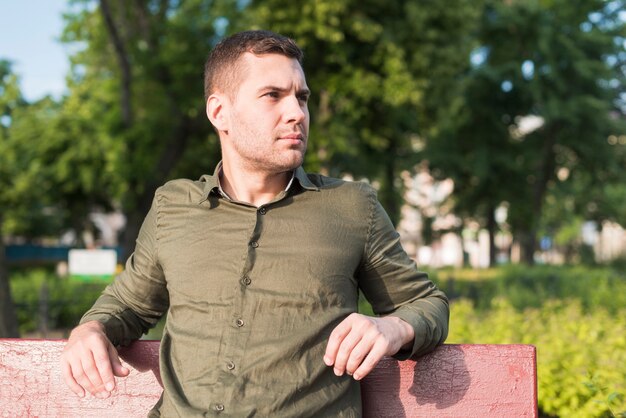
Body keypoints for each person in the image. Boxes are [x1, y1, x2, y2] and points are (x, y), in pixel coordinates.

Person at [61, 30, 449, 417]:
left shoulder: (351, 207)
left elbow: (425, 304)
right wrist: (91, 329)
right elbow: (129, 305)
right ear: (219, 112)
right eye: (272, 96)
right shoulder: (173, 205)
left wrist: (393, 328)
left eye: (302, 97)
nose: (296, 112)